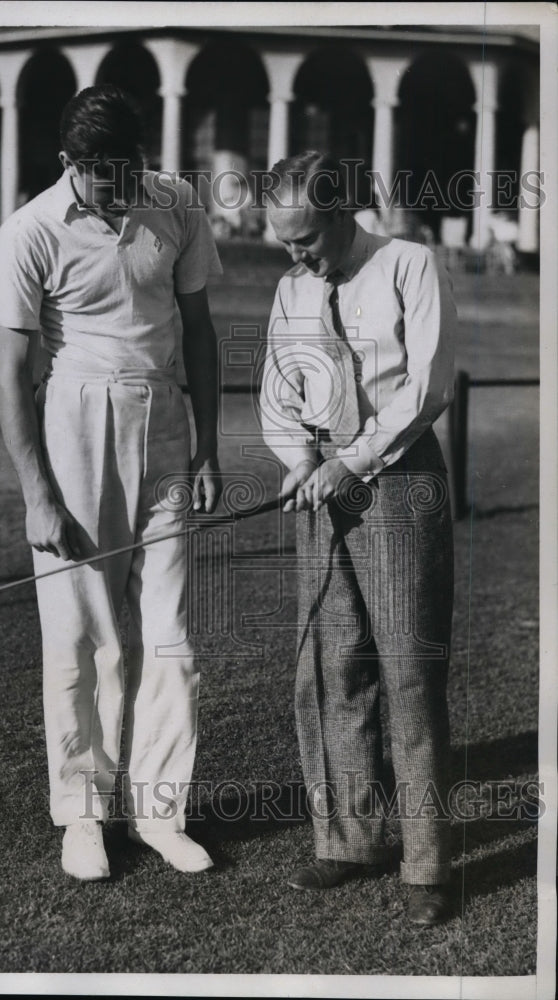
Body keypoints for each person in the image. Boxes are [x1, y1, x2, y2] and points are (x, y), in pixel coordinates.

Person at [0, 85, 222, 881]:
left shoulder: (176, 203)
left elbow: (199, 329)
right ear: (69, 164)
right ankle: (84, 815)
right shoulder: (30, 230)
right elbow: (11, 371)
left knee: (171, 635)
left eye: (133, 168)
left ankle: (160, 814)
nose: (122, 189)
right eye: (105, 175)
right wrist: (36, 492)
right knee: (85, 637)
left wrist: (211, 446)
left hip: (166, 424)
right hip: (77, 423)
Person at [260, 151, 457, 926]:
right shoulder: (290, 287)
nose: (296, 255)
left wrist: (354, 459)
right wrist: (300, 460)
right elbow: (279, 386)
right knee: (329, 666)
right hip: (322, 486)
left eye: (305, 239)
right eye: (284, 242)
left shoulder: (410, 264)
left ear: (344, 213)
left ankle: (426, 864)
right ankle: (349, 840)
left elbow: (427, 385)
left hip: (400, 479)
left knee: (408, 672)